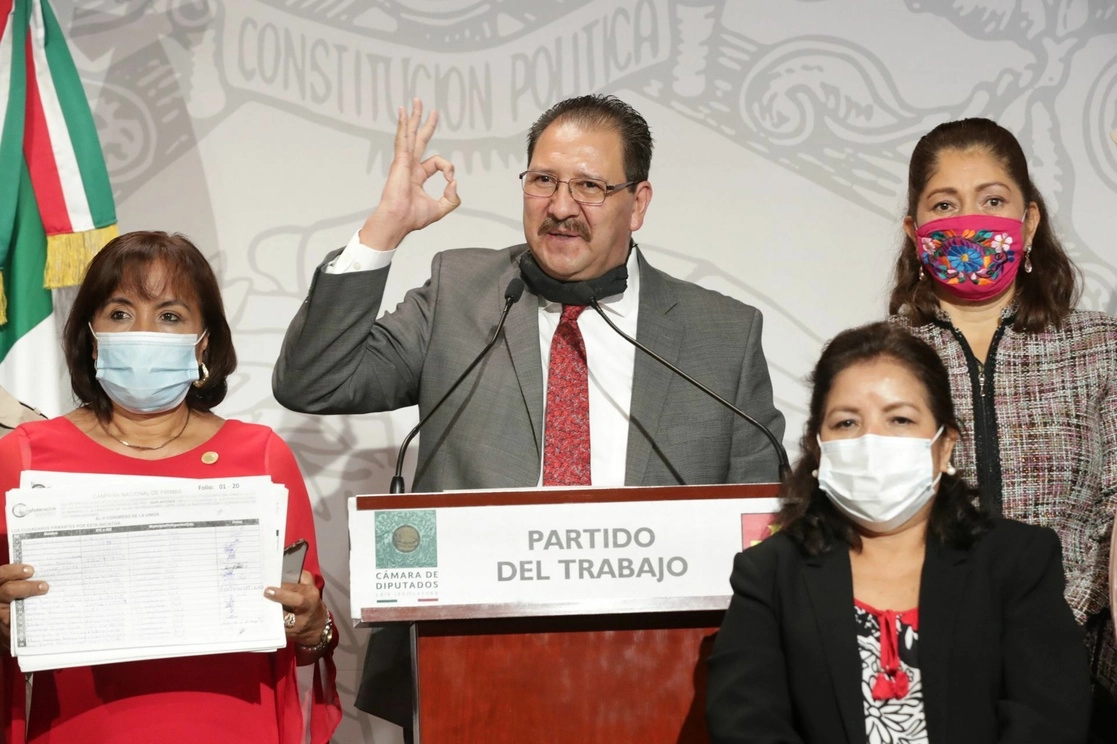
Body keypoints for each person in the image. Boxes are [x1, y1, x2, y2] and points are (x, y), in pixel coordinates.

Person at [273, 95, 785, 736]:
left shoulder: (721, 335)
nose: (561, 207)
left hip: (665, 683)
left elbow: (766, 533)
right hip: (469, 677)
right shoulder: (461, 292)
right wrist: (385, 229)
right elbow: (315, 380)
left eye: (590, 186)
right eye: (544, 180)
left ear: (639, 203)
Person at [0, 231, 341, 743]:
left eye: (170, 316)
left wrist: (314, 626)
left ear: (204, 342)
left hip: (234, 728)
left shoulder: (262, 457)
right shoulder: (24, 457)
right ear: (90, 336)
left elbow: (309, 637)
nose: (143, 332)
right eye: (120, 313)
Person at [706, 322, 1091, 743]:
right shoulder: (770, 573)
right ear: (818, 447)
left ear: (945, 446)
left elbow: (1049, 718)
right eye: (846, 423)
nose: (871, 442)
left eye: (900, 419)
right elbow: (744, 722)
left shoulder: (1017, 560)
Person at [887, 117, 1117, 728]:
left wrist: (1061, 630)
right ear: (914, 231)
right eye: (944, 204)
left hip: (1081, 673)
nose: (970, 221)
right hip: (927, 675)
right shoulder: (880, 361)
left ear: (1029, 221)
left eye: (992, 200)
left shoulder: (1101, 348)